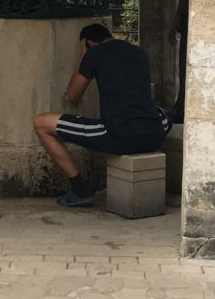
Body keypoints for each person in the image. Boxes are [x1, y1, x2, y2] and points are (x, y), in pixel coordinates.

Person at [33, 23, 172, 207]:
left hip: (119, 136)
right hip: (155, 133)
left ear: (88, 42)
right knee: (162, 113)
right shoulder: (139, 52)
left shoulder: (94, 53)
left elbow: (73, 96)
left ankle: (79, 188)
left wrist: (82, 56)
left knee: (41, 123)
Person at [169, 0, 193, 123]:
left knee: (187, 65)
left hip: (192, 24)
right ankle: (181, 105)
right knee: (183, 65)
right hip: (186, 23)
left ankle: (184, 107)